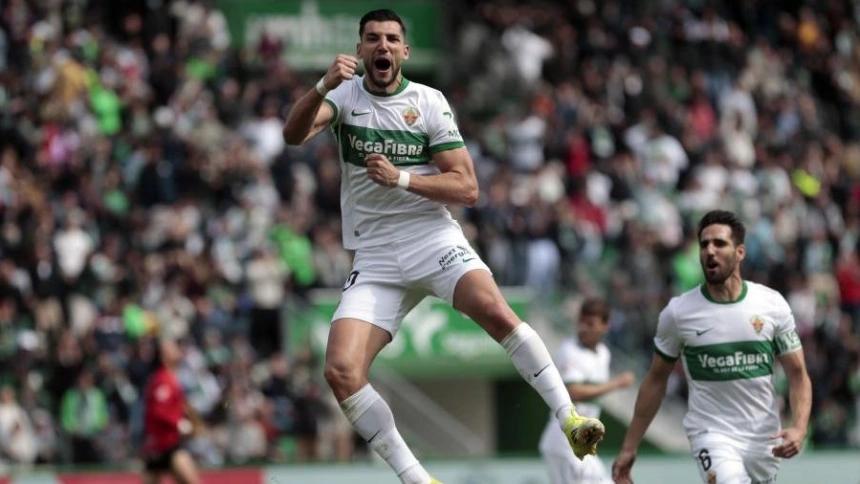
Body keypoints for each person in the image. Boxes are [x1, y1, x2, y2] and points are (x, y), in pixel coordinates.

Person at [282, 8, 604, 484]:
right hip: (375, 256)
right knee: (341, 371)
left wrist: (402, 178)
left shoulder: (428, 101)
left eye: (392, 39)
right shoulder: (343, 97)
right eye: (373, 38)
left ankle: (569, 419)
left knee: (496, 312)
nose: (382, 46)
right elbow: (292, 135)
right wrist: (321, 86)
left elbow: (467, 188)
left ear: (405, 51)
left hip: (431, 237)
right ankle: (418, 480)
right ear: (359, 49)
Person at [612, 210, 812, 484]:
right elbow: (656, 380)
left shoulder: (771, 304)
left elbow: (798, 374)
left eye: (719, 243)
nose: (710, 251)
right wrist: (629, 446)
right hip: (711, 434)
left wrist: (800, 427)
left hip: (763, 438)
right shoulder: (678, 313)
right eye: (704, 244)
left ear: (740, 252)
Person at [539, 298, 635, 484]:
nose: (583, 328)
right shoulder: (569, 351)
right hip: (564, 438)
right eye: (581, 322)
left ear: (605, 326)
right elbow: (573, 392)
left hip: (581, 441)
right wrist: (616, 384)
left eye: (590, 323)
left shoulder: (604, 353)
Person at [142, 338, 200, 484]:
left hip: (167, 442)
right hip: (163, 443)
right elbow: (159, 411)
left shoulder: (171, 377)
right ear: (163, 356)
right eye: (172, 348)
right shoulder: (162, 380)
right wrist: (180, 424)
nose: (177, 350)